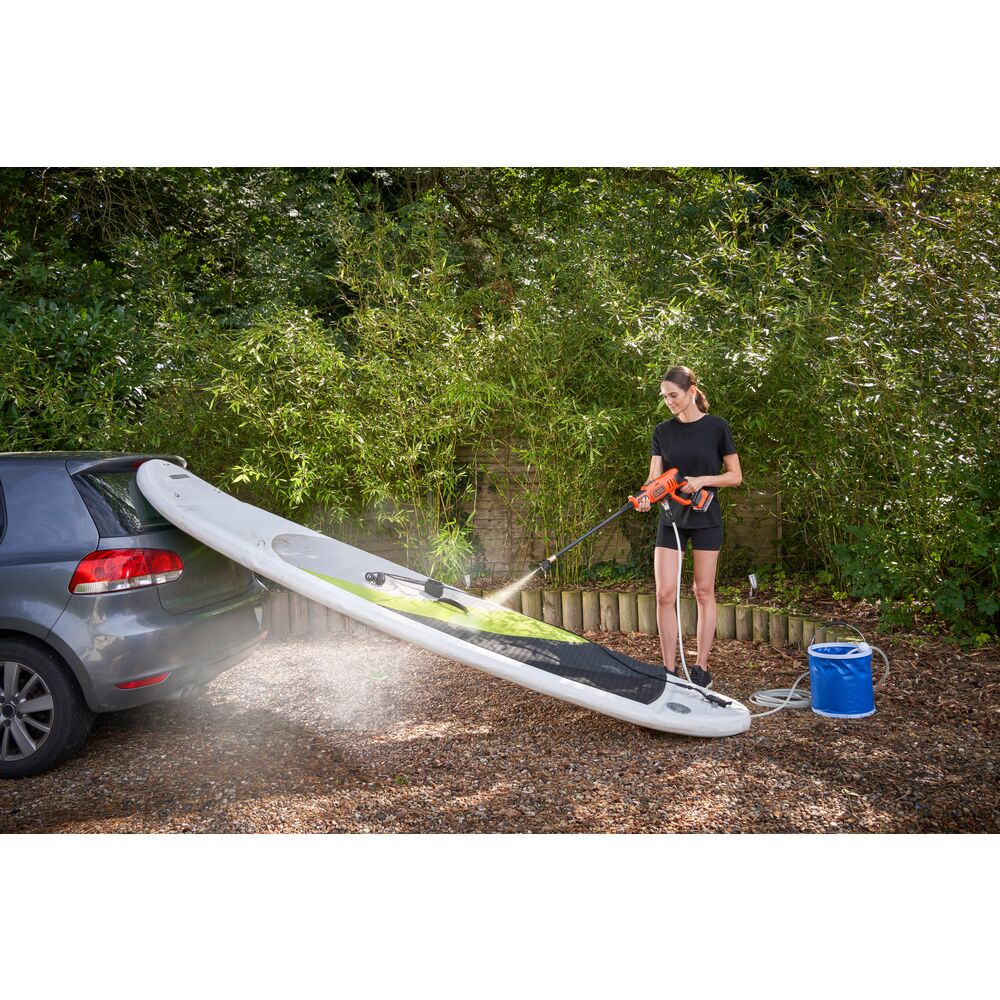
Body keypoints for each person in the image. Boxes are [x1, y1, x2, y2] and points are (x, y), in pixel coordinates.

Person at [634, 365, 742, 687]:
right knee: (664, 594)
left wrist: (703, 480)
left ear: (691, 391)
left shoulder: (717, 428)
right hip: (671, 520)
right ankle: (669, 671)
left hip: (706, 519)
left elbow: (735, 476)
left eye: (673, 395)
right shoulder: (662, 431)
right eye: (664, 396)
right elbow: (653, 478)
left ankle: (701, 668)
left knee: (703, 591)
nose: (668, 401)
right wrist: (644, 497)